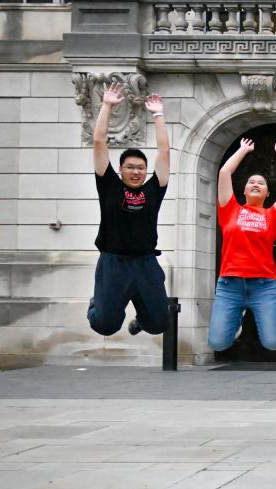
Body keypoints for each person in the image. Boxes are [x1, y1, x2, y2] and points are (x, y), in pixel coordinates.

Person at [87, 82, 170, 337]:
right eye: (130, 167)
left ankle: (141, 320)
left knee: (159, 324)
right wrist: (108, 105)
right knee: (105, 325)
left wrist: (158, 115)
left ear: (146, 172)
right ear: (121, 170)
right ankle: (96, 304)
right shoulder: (109, 185)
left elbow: (164, 151)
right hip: (114, 262)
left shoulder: (153, 190)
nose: (136, 171)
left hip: (146, 262)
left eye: (140, 168)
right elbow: (99, 141)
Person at [207, 135, 276, 352]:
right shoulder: (230, 210)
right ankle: (235, 320)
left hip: (263, 285)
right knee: (217, 343)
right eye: (251, 182)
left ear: (267, 193)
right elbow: (224, 173)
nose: (255, 184)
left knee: (274, 343)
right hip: (230, 285)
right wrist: (242, 150)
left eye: (261, 183)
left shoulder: (273, 216)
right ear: (244, 191)